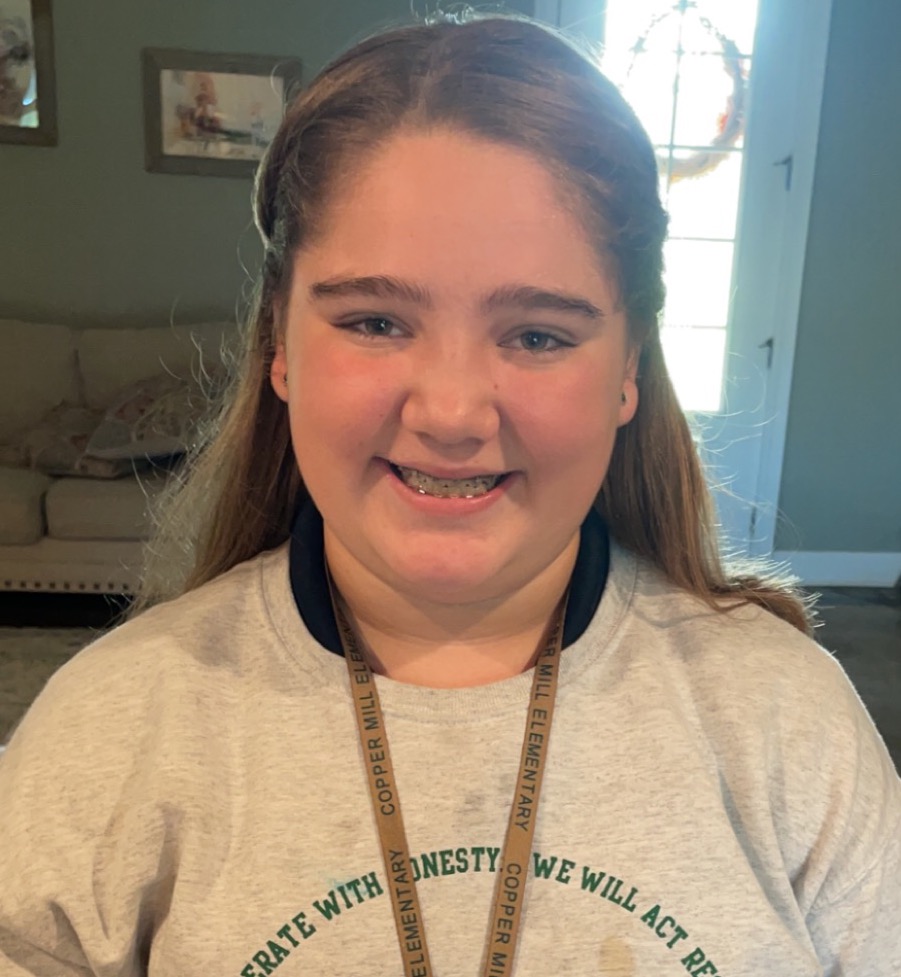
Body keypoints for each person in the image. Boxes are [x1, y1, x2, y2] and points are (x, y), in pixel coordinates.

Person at [1, 13, 899, 977]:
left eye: (538, 335)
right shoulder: (111, 728)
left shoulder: (786, 721)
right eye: (375, 321)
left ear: (627, 368)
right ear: (278, 345)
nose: (452, 412)